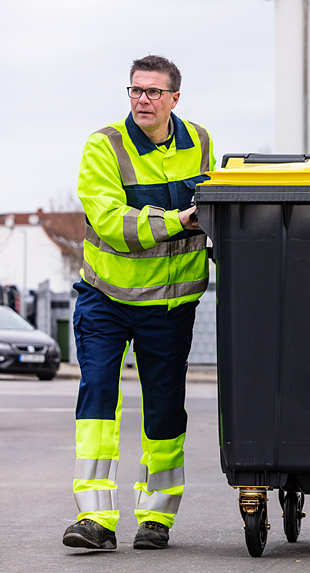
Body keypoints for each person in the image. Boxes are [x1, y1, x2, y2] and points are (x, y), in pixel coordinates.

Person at [62, 55, 215, 551]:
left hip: (170, 306)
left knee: (165, 410)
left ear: (175, 97)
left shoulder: (203, 143)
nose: (142, 100)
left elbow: (216, 208)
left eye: (152, 92)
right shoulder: (104, 145)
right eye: (135, 91)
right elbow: (111, 222)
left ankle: (157, 517)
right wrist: (178, 220)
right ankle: (95, 519)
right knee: (99, 396)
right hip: (106, 297)